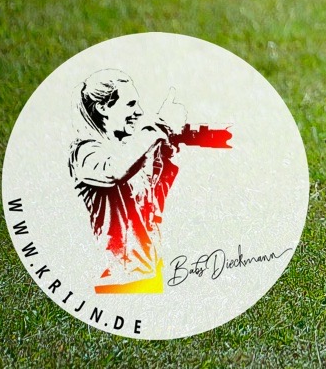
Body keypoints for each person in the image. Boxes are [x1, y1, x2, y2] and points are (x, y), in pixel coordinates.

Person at [69, 71, 231, 292]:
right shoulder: (85, 152)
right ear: (103, 108)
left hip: (144, 268)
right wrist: (160, 126)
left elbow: (150, 205)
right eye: (130, 104)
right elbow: (115, 171)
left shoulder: (126, 147)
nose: (139, 111)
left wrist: (166, 154)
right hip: (119, 277)